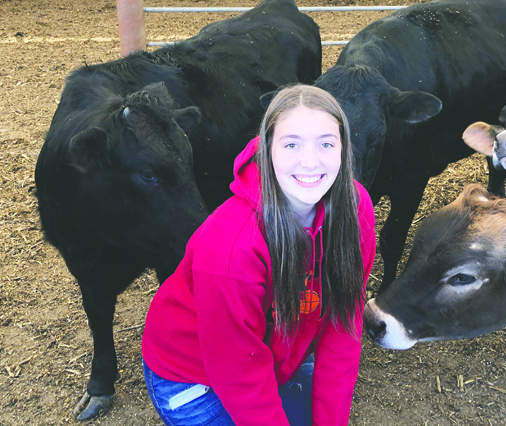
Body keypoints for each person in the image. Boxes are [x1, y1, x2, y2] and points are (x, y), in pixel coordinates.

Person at [141, 84, 377, 426]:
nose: (310, 162)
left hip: (279, 348)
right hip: (196, 374)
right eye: (292, 144)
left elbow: (343, 328)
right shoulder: (231, 248)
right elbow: (239, 370)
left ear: (343, 150)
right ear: (267, 150)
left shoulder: (356, 210)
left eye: (326, 143)